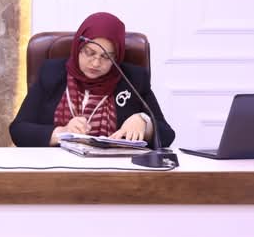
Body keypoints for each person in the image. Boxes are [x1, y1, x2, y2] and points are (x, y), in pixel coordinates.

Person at [9, 12, 175, 148]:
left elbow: (167, 134)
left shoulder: (133, 79)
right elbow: (18, 130)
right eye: (89, 53)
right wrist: (62, 132)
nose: (96, 63)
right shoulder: (51, 73)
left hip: (113, 172)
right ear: (78, 47)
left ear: (117, 56)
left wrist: (145, 123)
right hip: (58, 169)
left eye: (106, 56)